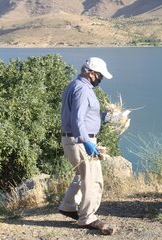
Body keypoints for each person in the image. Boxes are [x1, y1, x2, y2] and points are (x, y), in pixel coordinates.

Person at [59, 57, 115, 235]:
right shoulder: (82, 89)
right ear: (91, 73)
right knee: (93, 179)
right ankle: (87, 217)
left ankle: (68, 206)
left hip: (73, 139)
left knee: (81, 174)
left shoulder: (75, 85)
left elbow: (82, 115)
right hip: (80, 141)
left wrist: (104, 118)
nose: (101, 80)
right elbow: (77, 119)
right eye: (100, 76)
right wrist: (87, 142)